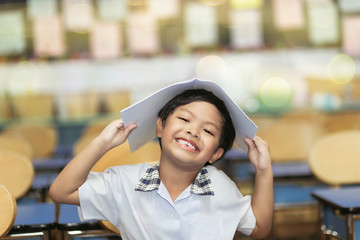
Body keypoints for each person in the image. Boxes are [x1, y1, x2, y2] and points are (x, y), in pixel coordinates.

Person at [49, 81, 273, 240]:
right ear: (160, 127)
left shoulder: (221, 186)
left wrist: (264, 170)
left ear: (216, 154)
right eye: (184, 119)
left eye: (207, 130)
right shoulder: (124, 182)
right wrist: (102, 144)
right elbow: (61, 192)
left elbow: (259, 228)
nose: (193, 131)